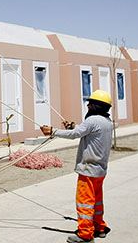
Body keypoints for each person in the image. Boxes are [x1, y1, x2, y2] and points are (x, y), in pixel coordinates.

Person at [41, 90, 113, 243]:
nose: (88, 105)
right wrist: (73, 126)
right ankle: (99, 227)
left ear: (97, 106)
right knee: (97, 201)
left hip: (88, 170)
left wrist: (53, 131)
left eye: (91, 103)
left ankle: (85, 234)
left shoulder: (92, 120)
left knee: (85, 202)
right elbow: (84, 130)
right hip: (100, 171)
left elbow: (75, 135)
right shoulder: (107, 122)